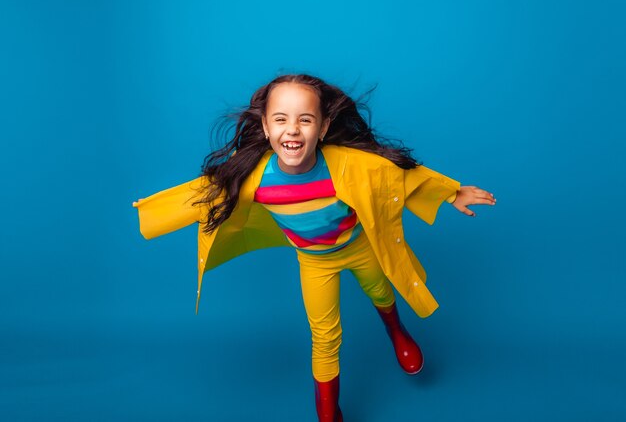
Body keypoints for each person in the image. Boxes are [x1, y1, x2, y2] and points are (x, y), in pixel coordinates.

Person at [132, 73, 496, 421]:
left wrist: (452, 192)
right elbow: (198, 195)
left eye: (305, 119)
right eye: (281, 119)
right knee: (324, 338)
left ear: (322, 129)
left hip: (358, 247)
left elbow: (398, 174)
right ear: (266, 128)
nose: (292, 129)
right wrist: (152, 212)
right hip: (314, 262)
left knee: (381, 291)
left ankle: (397, 331)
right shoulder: (252, 179)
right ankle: (328, 414)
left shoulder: (348, 164)